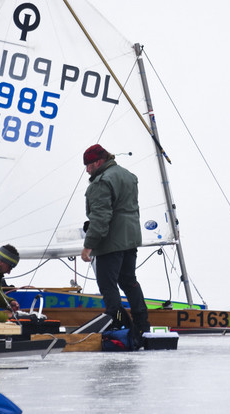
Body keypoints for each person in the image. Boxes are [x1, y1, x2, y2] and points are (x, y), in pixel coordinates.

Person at [80, 144, 150, 342]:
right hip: (130, 239)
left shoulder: (101, 182)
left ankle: (120, 324)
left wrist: (88, 246)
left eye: (89, 165)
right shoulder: (128, 175)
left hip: (110, 243)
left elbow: (101, 218)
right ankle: (142, 325)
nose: (87, 170)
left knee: (108, 287)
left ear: (99, 162)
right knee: (130, 282)